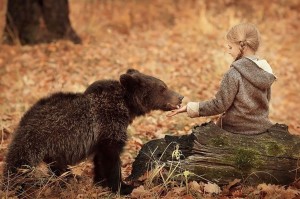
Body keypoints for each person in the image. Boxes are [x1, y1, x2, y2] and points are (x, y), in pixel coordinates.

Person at [167, 23, 276, 134]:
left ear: (242, 46)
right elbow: (265, 102)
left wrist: (190, 107)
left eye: (230, 47)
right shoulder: (265, 71)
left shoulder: (233, 73)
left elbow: (219, 105)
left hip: (234, 129)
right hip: (261, 128)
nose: (228, 51)